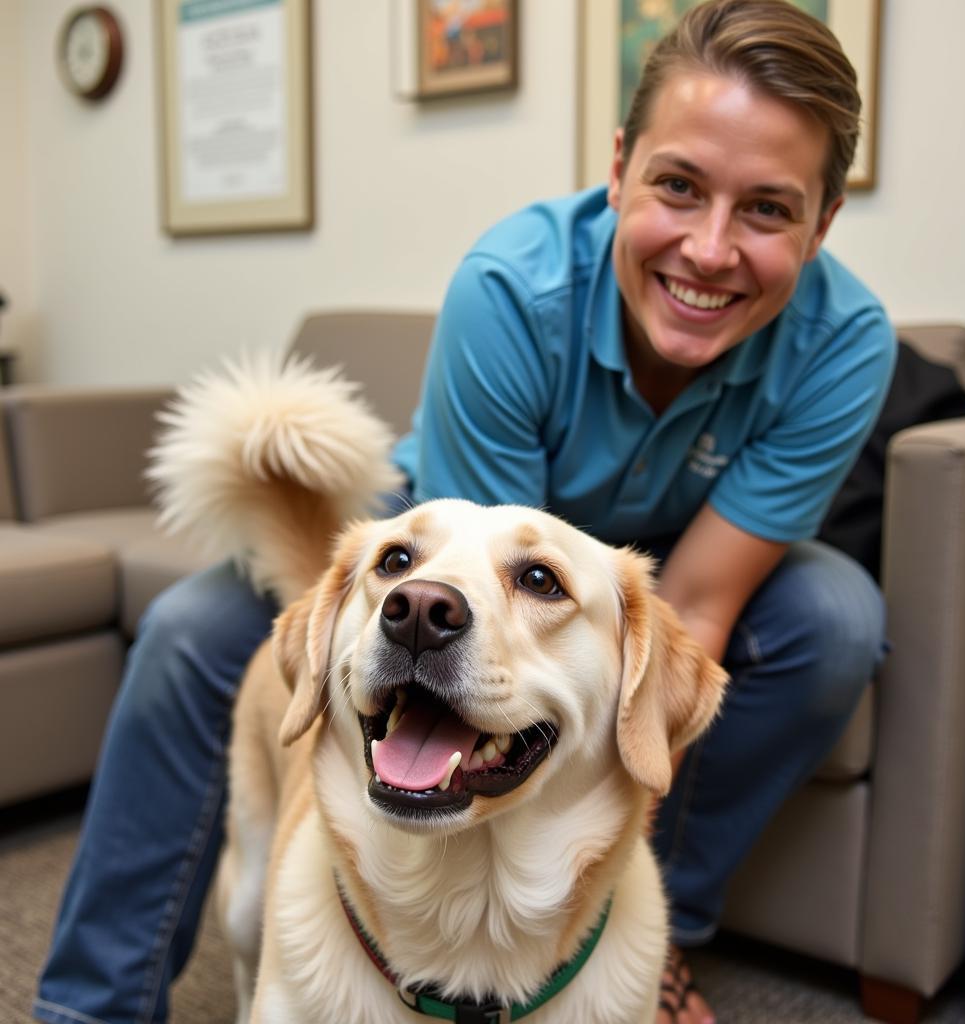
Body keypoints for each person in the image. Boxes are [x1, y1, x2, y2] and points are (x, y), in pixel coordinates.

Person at [34, 2, 895, 1023]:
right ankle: (90, 1004)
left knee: (836, 618)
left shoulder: (846, 345)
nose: (709, 250)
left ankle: (669, 931)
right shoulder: (510, 285)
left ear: (821, 224)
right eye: (677, 186)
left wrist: (603, 887)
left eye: (766, 209)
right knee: (185, 633)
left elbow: (700, 597)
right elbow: (473, 580)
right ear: (618, 168)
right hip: (473, 534)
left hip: (651, 565)